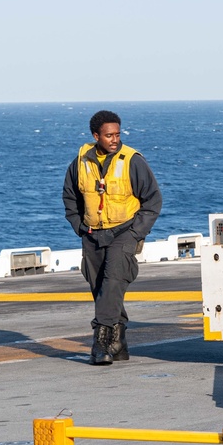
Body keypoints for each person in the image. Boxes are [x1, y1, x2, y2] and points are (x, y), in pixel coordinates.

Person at [63, 110, 162, 365]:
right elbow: (70, 197)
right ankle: (119, 344)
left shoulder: (133, 161)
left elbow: (153, 201)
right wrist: (79, 227)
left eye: (117, 134)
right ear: (96, 136)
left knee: (113, 281)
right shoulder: (80, 162)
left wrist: (135, 234)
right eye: (109, 135)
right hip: (93, 234)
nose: (114, 139)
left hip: (124, 233)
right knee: (102, 288)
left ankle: (101, 342)